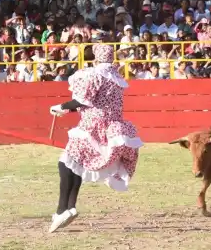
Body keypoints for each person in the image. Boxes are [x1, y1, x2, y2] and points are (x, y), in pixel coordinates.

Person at [47, 44, 143, 232]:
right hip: (108, 127)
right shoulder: (115, 77)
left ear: (96, 58)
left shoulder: (95, 75)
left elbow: (83, 100)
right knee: (77, 165)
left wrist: (61, 106)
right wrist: (67, 108)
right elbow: (93, 102)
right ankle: (70, 207)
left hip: (91, 126)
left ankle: (62, 210)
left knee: (65, 164)